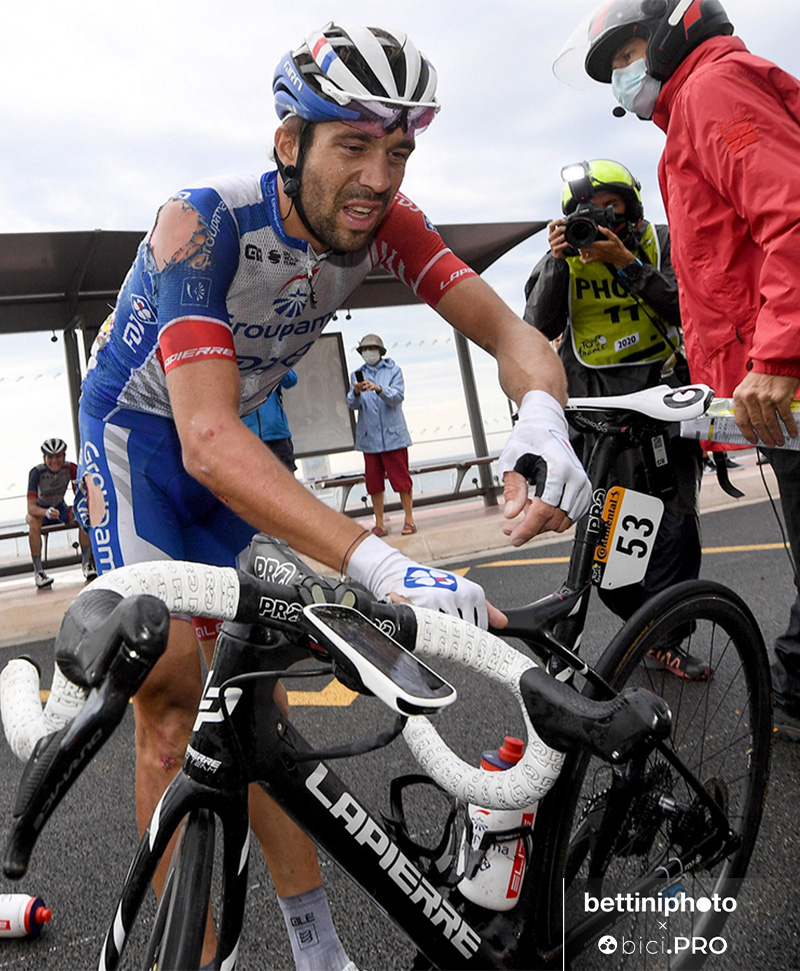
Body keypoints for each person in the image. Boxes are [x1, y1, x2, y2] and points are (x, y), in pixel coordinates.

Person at [74, 22, 592, 969]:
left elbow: (516, 336)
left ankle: (316, 945)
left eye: (397, 150)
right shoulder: (200, 219)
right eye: (352, 143)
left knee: (256, 716)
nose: (379, 176)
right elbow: (204, 437)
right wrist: (386, 561)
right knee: (171, 705)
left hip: (221, 461)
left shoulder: (388, 222)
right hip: (138, 449)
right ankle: (197, 952)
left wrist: (543, 424)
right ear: (289, 142)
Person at [572, 0, 800, 738]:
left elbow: (790, 213)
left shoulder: (710, 90)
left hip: (773, 379)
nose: (620, 79)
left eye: (624, 55)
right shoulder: (696, 109)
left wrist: (779, 354)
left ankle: (793, 691)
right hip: (709, 397)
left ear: (673, 26)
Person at [523, 158, 706, 678]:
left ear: (633, 206)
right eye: (587, 212)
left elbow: (688, 307)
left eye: (612, 206)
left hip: (663, 403)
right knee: (615, 544)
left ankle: (668, 635)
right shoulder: (562, 258)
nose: (599, 218)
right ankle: (640, 627)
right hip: (600, 417)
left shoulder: (663, 243)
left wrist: (628, 263)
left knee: (675, 530)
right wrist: (560, 261)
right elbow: (536, 329)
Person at [347, 334, 416, 536]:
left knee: (402, 479)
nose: (368, 353)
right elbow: (351, 404)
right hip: (370, 439)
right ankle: (379, 523)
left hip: (393, 437)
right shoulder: (357, 374)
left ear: (380, 350)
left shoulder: (394, 371)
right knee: (374, 482)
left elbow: (397, 396)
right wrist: (356, 392)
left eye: (371, 349)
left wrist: (378, 389)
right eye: (364, 350)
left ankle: (409, 519)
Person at [26, 438, 96, 588]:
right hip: (41, 511)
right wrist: (45, 512)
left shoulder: (71, 468)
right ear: (44, 458)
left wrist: (77, 510)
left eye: (58, 456)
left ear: (64, 456)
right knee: (32, 521)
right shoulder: (36, 472)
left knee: (82, 515)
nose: (54, 461)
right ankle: (39, 572)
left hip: (60, 509)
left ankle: (87, 564)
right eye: (50, 457)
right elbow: (31, 508)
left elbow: (81, 494)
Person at [242, 368, 298, 471]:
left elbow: (291, 380)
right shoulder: (234, 362)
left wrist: (273, 359)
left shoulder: (270, 358)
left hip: (276, 434)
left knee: (285, 481)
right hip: (247, 438)